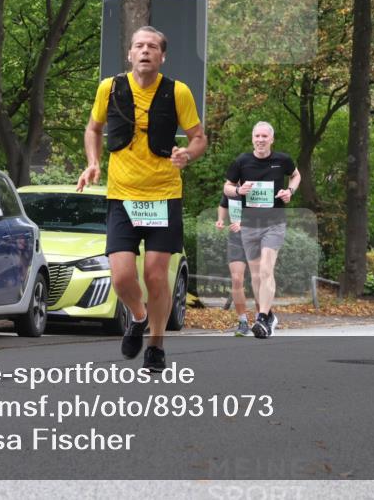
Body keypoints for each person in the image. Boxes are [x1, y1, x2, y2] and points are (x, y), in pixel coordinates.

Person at [77, 26, 206, 372]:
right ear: (130, 54)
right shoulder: (109, 88)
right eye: (139, 45)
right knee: (121, 277)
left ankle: (156, 346)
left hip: (163, 195)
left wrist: (187, 154)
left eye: (152, 46)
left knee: (155, 276)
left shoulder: (177, 92)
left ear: (162, 56)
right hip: (122, 196)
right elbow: (93, 129)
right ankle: (138, 316)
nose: (145, 50)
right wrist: (93, 163)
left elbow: (198, 137)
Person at [223, 121, 300, 339]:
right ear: (252, 138)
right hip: (249, 225)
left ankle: (263, 317)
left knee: (266, 269)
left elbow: (296, 175)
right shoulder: (242, 161)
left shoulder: (282, 160)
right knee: (256, 275)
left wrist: (290, 191)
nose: (260, 140)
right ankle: (269, 316)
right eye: (257, 136)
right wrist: (238, 190)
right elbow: (227, 187)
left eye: (264, 136)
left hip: (274, 224)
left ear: (271, 139)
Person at [216, 194, 255, 336]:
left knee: (259, 279)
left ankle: (261, 319)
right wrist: (220, 219)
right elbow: (223, 205)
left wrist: (243, 223)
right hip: (236, 238)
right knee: (237, 279)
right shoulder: (230, 189)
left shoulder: (257, 186)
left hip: (257, 237)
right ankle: (242, 321)